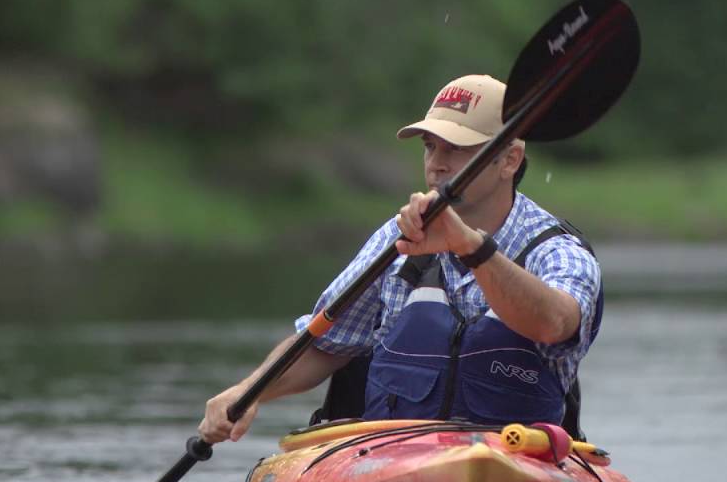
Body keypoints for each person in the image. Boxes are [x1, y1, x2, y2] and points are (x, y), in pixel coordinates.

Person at [198, 74, 602, 444]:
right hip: (394, 457)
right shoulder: (399, 237)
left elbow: (555, 323)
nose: (436, 163)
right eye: (430, 147)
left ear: (509, 160)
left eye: (459, 149)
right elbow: (325, 344)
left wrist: (470, 247)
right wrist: (249, 392)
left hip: (516, 458)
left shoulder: (558, 251)